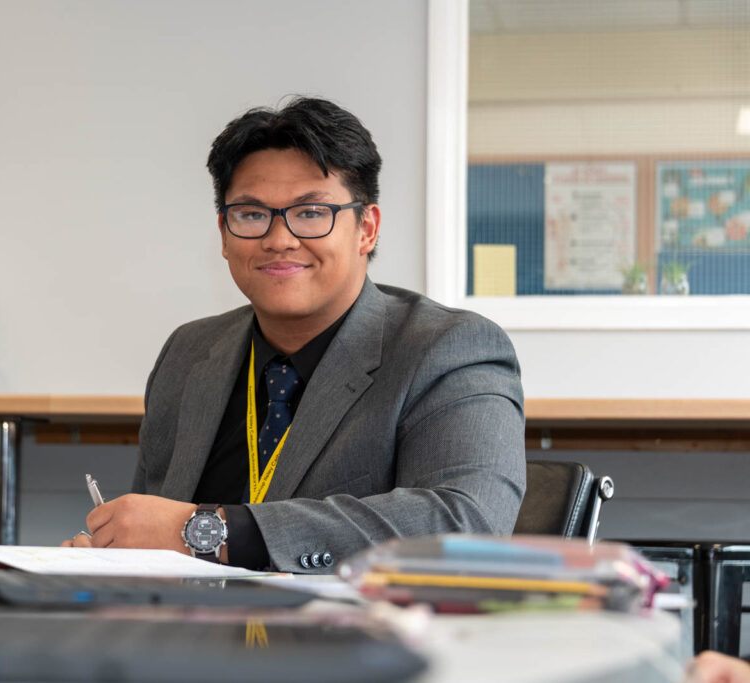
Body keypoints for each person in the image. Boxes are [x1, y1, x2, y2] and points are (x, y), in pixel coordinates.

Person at [66, 97, 526, 572]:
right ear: (224, 234)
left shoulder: (449, 349)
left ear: (366, 229)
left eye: (311, 213)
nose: (279, 239)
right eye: (250, 214)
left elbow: (467, 522)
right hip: (194, 636)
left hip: (358, 639)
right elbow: (157, 537)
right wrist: (112, 554)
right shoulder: (189, 353)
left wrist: (207, 531)